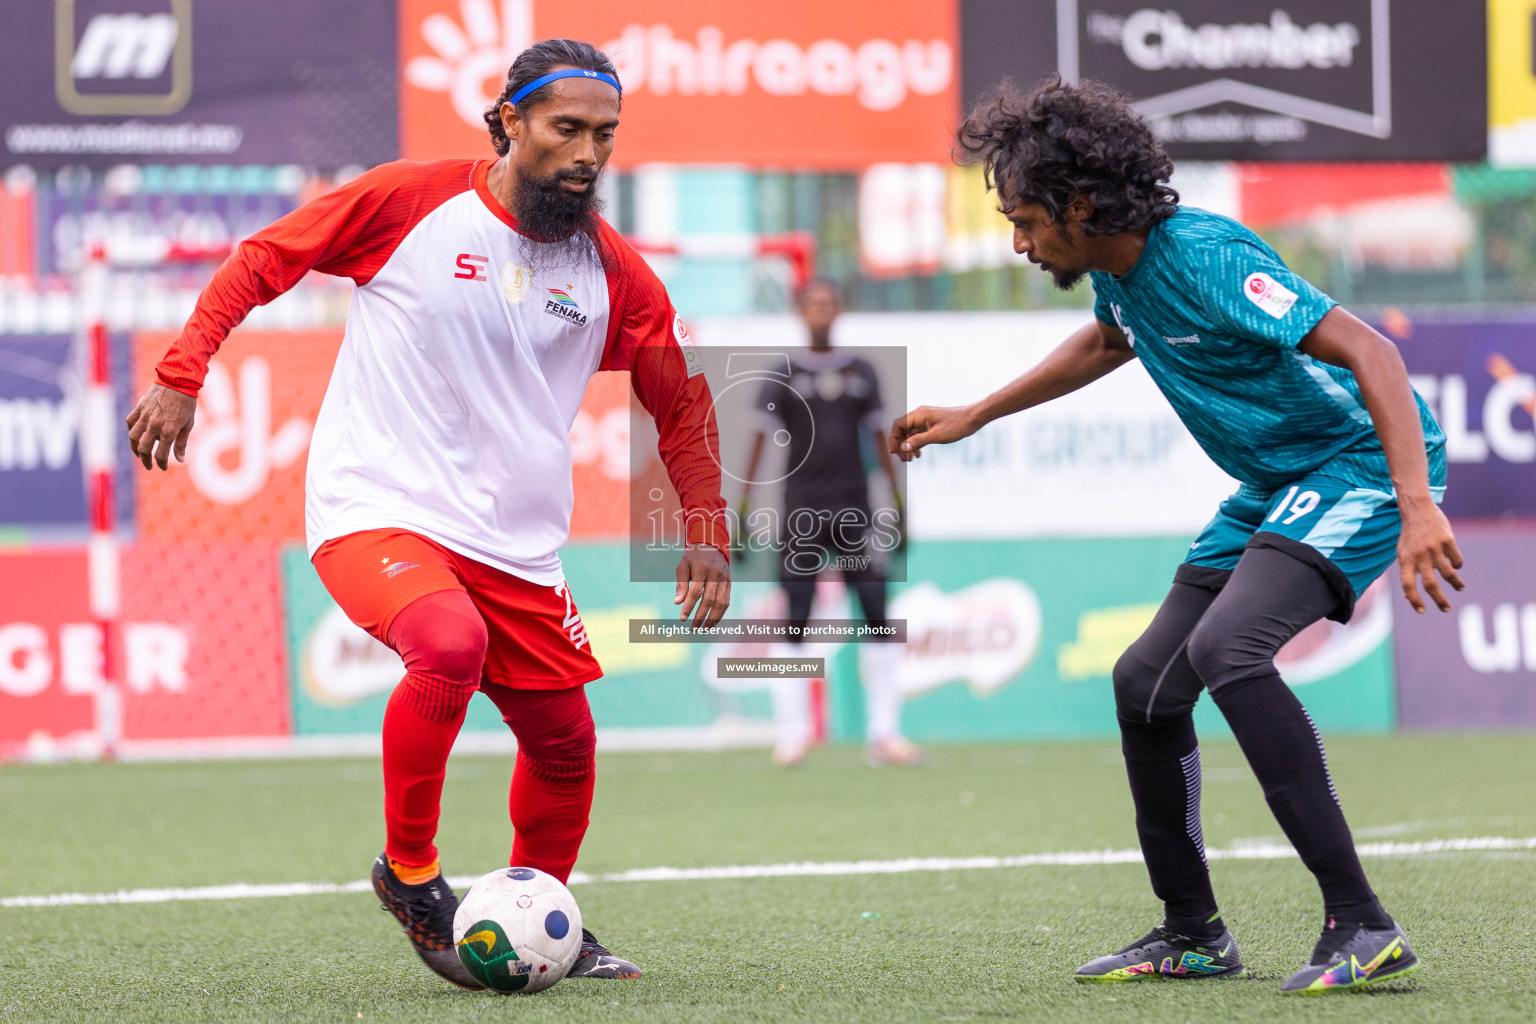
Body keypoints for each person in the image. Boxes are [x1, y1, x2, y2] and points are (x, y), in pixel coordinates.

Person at [124, 39, 731, 989]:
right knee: (447, 645)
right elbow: (263, 259)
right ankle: (410, 875)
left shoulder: (616, 272)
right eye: (566, 129)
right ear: (507, 124)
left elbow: (682, 401)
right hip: (379, 504)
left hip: (516, 545)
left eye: (604, 136)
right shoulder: (409, 201)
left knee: (566, 742)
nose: (587, 153)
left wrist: (705, 525)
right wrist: (181, 374)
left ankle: (543, 922)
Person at [890, 76, 1462, 995]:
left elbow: (1373, 353)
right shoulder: (1121, 275)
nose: (1019, 241)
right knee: (1146, 686)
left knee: (1231, 649)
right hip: (1276, 483)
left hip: (1357, 465)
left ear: (1080, 205)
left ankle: (1362, 923)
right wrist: (979, 413)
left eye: (1027, 219)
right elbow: (1107, 343)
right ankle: (1192, 932)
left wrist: (1417, 504)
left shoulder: (1202, 255)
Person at [738, 279, 918, 768]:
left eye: (828, 303)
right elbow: (756, 444)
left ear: (838, 309)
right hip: (800, 511)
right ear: (800, 311)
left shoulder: (862, 372)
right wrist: (740, 509)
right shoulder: (782, 375)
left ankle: (885, 735)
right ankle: (792, 737)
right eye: (813, 304)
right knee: (795, 613)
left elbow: (879, 436)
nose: (821, 311)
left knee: (878, 613)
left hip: (854, 512)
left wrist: (897, 501)